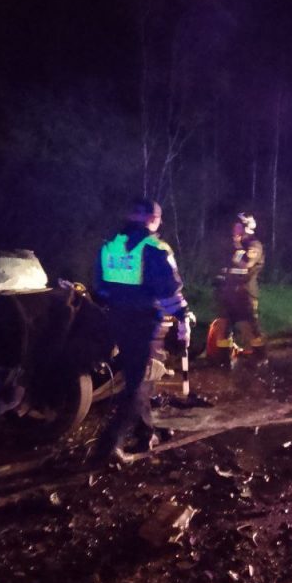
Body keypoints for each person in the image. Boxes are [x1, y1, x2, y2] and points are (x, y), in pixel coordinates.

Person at [92, 198, 190, 462]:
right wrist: (182, 317)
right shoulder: (154, 248)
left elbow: (100, 287)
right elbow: (169, 291)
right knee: (138, 383)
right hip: (144, 322)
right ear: (152, 219)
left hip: (115, 319)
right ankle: (109, 445)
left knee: (139, 375)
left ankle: (146, 433)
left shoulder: (109, 244)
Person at [215, 212, 266, 357]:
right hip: (229, 293)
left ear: (245, 228)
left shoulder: (254, 245)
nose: (234, 229)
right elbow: (225, 267)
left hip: (245, 293)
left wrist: (237, 248)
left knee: (250, 325)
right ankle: (223, 356)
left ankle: (259, 356)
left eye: (237, 226)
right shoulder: (233, 245)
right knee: (224, 324)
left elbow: (246, 266)